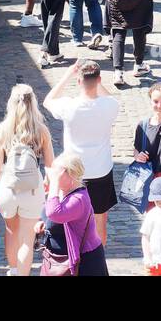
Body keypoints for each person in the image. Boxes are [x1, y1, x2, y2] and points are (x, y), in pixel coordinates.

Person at [44, 59, 119, 244]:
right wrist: (98, 83)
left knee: (72, 220)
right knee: (100, 220)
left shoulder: (69, 106)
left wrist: (69, 73)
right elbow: (109, 97)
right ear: (99, 79)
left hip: (74, 173)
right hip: (101, 170)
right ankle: (98, 258)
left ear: (79, 82)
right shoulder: (110, 105)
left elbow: (48, 100)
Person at [0, 83, 56, 275]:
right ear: (33, 103)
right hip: (32, 191)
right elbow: (50, 165)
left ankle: (13, 270)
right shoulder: (41, 130)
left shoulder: (3, 129)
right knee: (27, 238)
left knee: (11, 232)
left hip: (8, 190)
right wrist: (49, 187)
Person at [42, 152, 109, 276]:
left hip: (87, 263)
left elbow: (53, 213)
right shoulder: (64, 192)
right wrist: (42, 224)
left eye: (57, 175)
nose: (53, 179)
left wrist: (54, 186)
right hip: (62, 260)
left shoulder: (79, 199)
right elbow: (49, 213)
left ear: (71, 175)